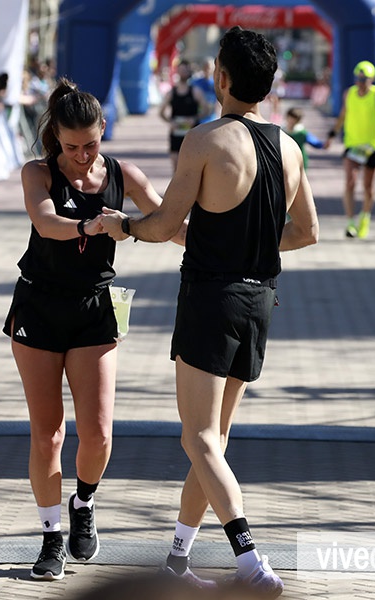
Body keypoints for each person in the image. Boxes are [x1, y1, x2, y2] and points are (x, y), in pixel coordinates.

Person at [95, 26, 319, 598]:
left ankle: (250, 560)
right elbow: (306, 232)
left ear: (221, 77)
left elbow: (164, 225)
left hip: (212, 297)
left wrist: (124, 226)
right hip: (259, 300)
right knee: (213, 440)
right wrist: (244, 244)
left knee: (197, 440)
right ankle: (177, 558)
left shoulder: (205, 140)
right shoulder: (290, 148)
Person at [3, 78, 184, 581]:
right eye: (72, 147)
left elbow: (167, 223)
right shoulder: (38, 172)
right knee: (48, 434)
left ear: (104, 129)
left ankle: (83, 501)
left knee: (99, 434)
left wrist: (227, 247)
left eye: (91, 145)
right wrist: (94, 225)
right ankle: (50, 537)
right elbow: (46, 223)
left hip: (94, 309)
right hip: (39, 307)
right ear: (56, 140)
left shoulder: (124, 174)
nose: (82, 157)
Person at [325, 60, 375, 239]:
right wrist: (332, 134)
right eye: (358, 78)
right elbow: (343, 115)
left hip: (373, 147)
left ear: (372, 79)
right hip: (353, 145)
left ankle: (365, 217)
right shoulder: (349, 93)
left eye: (365, 79)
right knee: (350, 182)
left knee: (368, 186)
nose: (361, 82)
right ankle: (350, 222)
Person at [160, 59, 208, 173]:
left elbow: (206, 110)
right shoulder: (172, 93)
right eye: (181, 70)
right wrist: (170, 122)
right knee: (176, 166)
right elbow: (161, 112)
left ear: (189, 72)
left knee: (192, 167)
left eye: (185, 70)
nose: (183, 73)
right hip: (176, 133)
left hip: (192, 134)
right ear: (177, 72)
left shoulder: (196, 91)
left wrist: (194, 119)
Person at [191, 57, 219, 124]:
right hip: (197, 114)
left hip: (211, 116)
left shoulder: (216, 84)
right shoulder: (196, 82)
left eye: (209, 68)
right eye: (205, 67)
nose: (207, 70)